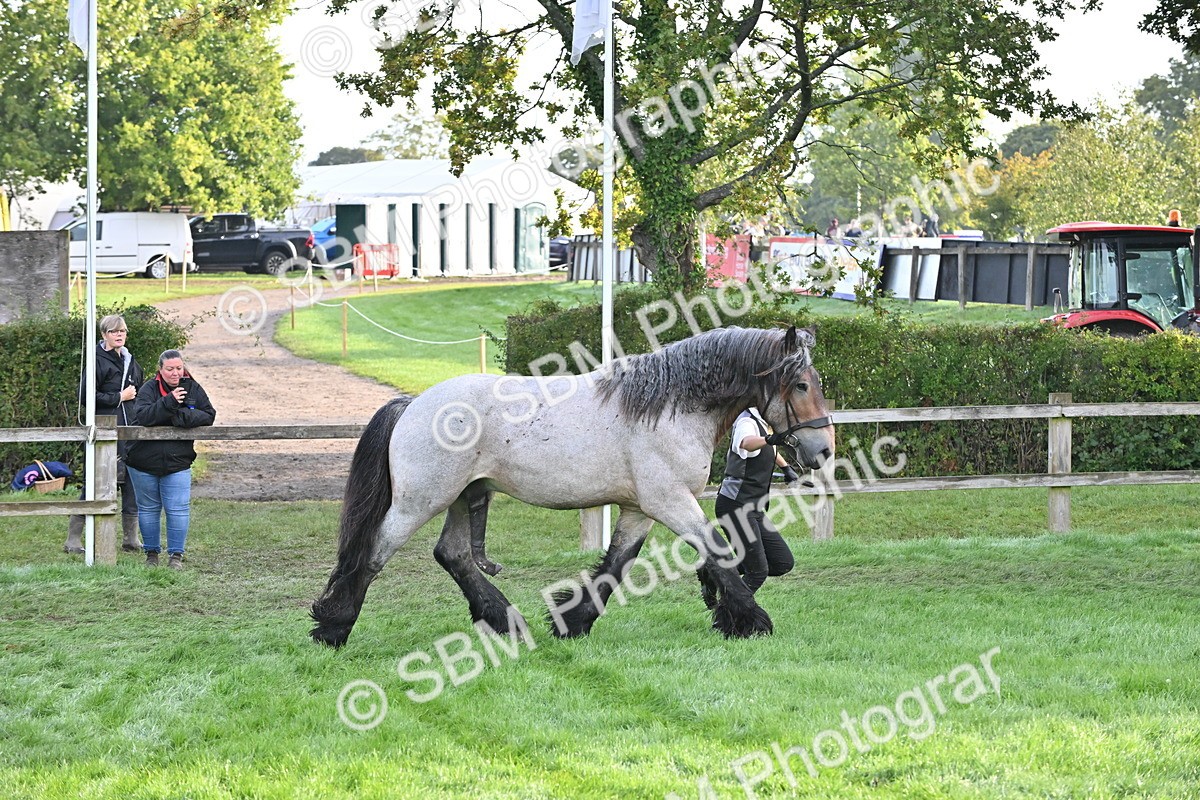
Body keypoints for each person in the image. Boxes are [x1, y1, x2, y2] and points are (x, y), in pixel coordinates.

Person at [125, 350, 216, 569]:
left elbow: (209, 415)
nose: (175, 373)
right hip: (142, 461)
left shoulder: (192, 387)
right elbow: (144, 417)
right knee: (148, 509)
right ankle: (151, 555)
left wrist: (179, 416)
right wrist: (169, 402)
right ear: (160, 370)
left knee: (178, 509)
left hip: (178, 461)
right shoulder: (148, 389)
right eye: (170, 369)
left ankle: (176, 556)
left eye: (179, 368)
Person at [64, 314, 144, 555]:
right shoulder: (97, 361)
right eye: (114, 331)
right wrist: (119, 397)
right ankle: (73, 540)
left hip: (130, 431)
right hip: (105, 432)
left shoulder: (131, 361)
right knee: (95, 484)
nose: (119, 335)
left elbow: (139, 391)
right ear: (104, 335)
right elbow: (86, 397)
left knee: (132, 482)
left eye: (123, 331)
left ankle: (131, 539)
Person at [707, 406, 800, 602]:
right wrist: (768, 439)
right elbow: (747, 443)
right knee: (757, 572)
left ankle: (714, 570)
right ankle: (729, 613)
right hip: (735, 506)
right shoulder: (746, 422)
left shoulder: (764, 423)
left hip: (754, 508)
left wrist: (786, 467)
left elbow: (769, 447)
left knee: (782, 562)